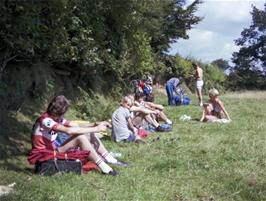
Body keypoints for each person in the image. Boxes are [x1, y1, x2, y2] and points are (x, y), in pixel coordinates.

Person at [31, 95, 127, 176]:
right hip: (45, 154)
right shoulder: (45, 120)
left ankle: (109, 158)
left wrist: (94, 124)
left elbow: (75, 125)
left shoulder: (54, 118)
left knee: (88, 133)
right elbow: (69, 131)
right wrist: (96, 129)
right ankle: (104, 168)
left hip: (52, 151)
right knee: (80, 137)